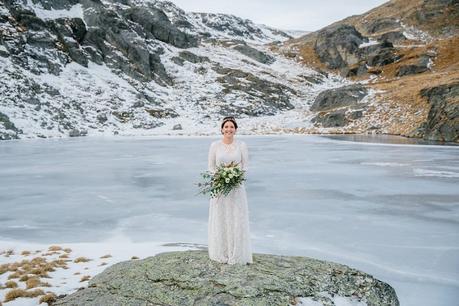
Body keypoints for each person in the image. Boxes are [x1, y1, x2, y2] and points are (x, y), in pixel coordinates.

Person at [207, 116, 253, 265]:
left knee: (236, 217)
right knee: (221, 217)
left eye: (231, 127)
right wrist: (220, 177)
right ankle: (222, 252)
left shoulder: (241, 145)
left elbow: (245, 166)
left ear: (235, 129)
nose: (228, 129)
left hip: (236, 188)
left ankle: (236, 253)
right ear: (221, 129)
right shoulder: (215, 145)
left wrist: (235, 177)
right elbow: (211, 167)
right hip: (220, 187)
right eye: (226, 127)